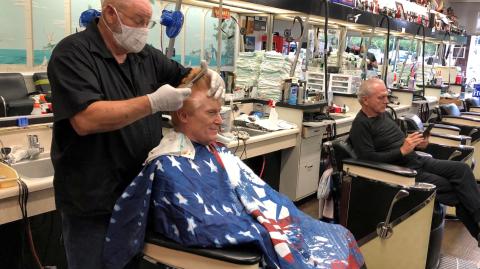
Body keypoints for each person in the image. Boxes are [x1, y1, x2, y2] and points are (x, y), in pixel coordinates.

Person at [103, 70, 365, 269]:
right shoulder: (166, 164)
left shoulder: (216, 150)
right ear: (182, 116)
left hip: (275, 222)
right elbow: (197, 223)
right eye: (211, 114)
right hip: (242, 235)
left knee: (340, 234)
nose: (219, 120)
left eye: (220, 112)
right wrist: (260, 228)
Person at [47, 0, 225, 268]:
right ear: (109, 13)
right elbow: (86, 119)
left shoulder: (144, 55)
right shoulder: (73, 53)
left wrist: (208, 76)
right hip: (93, 204)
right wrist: (152, 103)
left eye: (148, 23)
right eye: (138, 21)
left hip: (138, 197)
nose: (144, 30)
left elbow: (185, 76)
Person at [349, 78, 480, 244]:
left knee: (462, 170)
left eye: (386, 96)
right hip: (403, 172)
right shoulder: (360, 125)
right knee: (453, 189)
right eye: (381, 97)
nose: (386, 101)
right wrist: (402, 151)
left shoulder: (385, 114)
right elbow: (367, 160)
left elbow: (397, 142)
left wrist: (417, 145)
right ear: (365, 100)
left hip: (417, 160)